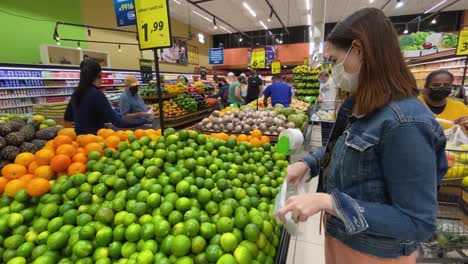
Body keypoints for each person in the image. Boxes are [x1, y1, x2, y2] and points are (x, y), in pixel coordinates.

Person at [276, 8, 447, 264]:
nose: (333, 70)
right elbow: (345, 148)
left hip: (377, 255)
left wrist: (330, 202)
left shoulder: (406, 123)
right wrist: (308, 164)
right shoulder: (362, 105)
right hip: (343, 239)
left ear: (359, 49)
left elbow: (417, 222)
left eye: (334, 60)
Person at [64, 59, 146, 135]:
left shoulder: (76, 93)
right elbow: (118, 122)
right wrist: (143, 121)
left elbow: (68, 116)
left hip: (79, 140)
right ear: (100, 75)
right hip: (95, 140)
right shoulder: (97, 94)